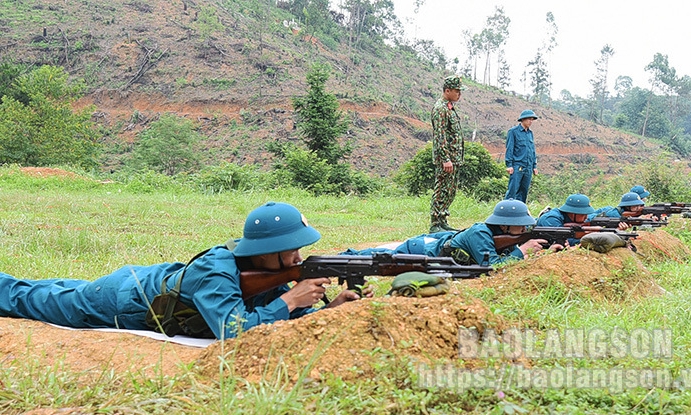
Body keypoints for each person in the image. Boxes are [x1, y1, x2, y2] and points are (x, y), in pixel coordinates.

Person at [0, 202, 369, 340]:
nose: (297, 257)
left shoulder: (271, 271)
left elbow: (278, 316)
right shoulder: (216, 271)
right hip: (124, 299)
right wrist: (289, 300)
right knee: (37, 299)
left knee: (53, 288)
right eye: (291, 249)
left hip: (148, 283)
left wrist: (328, 309)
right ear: (265, 252)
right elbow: (234, 328)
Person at [343, 199, 558, 266]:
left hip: (436, 246)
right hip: (421, 250)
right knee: (379, 257)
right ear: (504, 225)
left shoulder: (500, 235)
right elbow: (491, 267)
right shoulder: (480, 234)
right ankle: (347, 256)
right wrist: (522, 250)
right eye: (520, 224)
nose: (524, 229)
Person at [429, 75, 465, 233]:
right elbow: (440, 136)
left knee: (450, 190)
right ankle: (435, 223)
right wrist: (446, 159)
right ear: (447, 90)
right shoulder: (440, 109)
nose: (459, 94)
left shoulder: (449, 107)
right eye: (457, 91)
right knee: (441, 189)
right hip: (447, 159)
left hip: (454, 158)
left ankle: (443, 220)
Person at [504, 109, 538, 203]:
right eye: (529, 119)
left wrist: (534, 166)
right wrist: (509, 165)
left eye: (532, 119)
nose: (531, 121)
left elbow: (532, 150)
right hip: (517, 165)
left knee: (524, 192)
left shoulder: (530, 133)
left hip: (528, 166)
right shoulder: (513, 132)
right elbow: (510, 148)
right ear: (522, 120)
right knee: (513, 190)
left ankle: (520, 214)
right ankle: (506, 212)